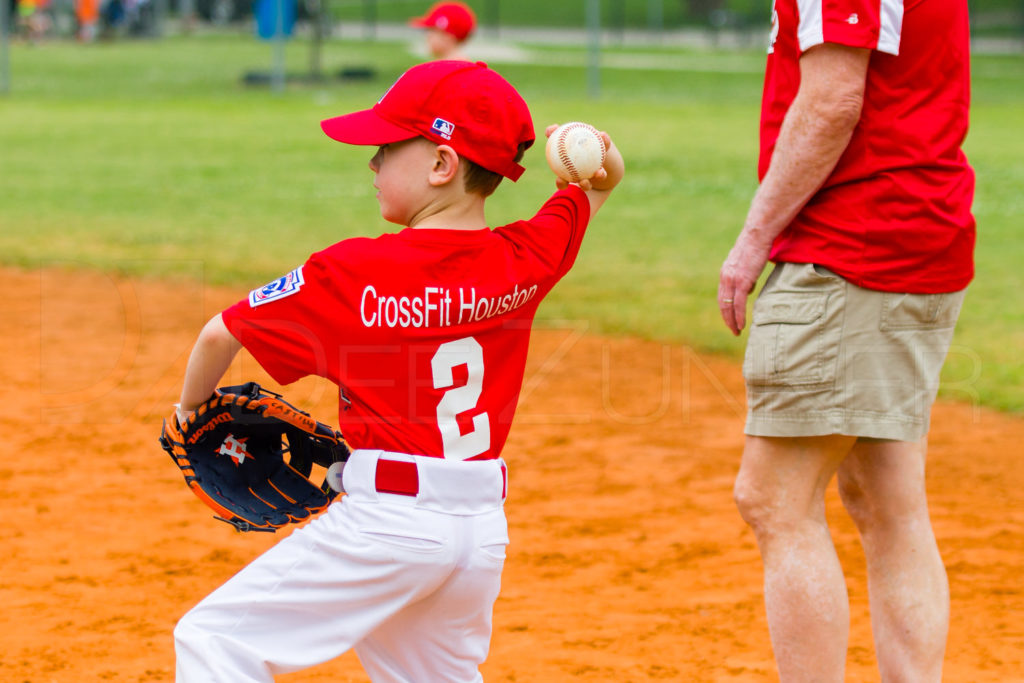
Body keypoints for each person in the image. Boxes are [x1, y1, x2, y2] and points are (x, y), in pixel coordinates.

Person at [170, 59, 624, 682]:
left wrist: (189, 412)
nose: (373, 163)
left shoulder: (353, 273)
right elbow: (602, 181)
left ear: (441, 164)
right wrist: (594, 151)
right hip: (480, 534)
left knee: (214, 640)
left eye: (386, 148)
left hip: (386, 527)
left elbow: (218, 334)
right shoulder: (527, 256)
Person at [718, 1, 974, 681]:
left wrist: (753, 240)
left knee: (775, 496)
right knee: (887, 498)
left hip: (855, 242)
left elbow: (832, 100)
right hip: (913, 233)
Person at [408, 1, 476, 61]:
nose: (428, 36)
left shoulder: (448, 70)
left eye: (432, 30)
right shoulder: (465, 66)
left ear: (448, 35)